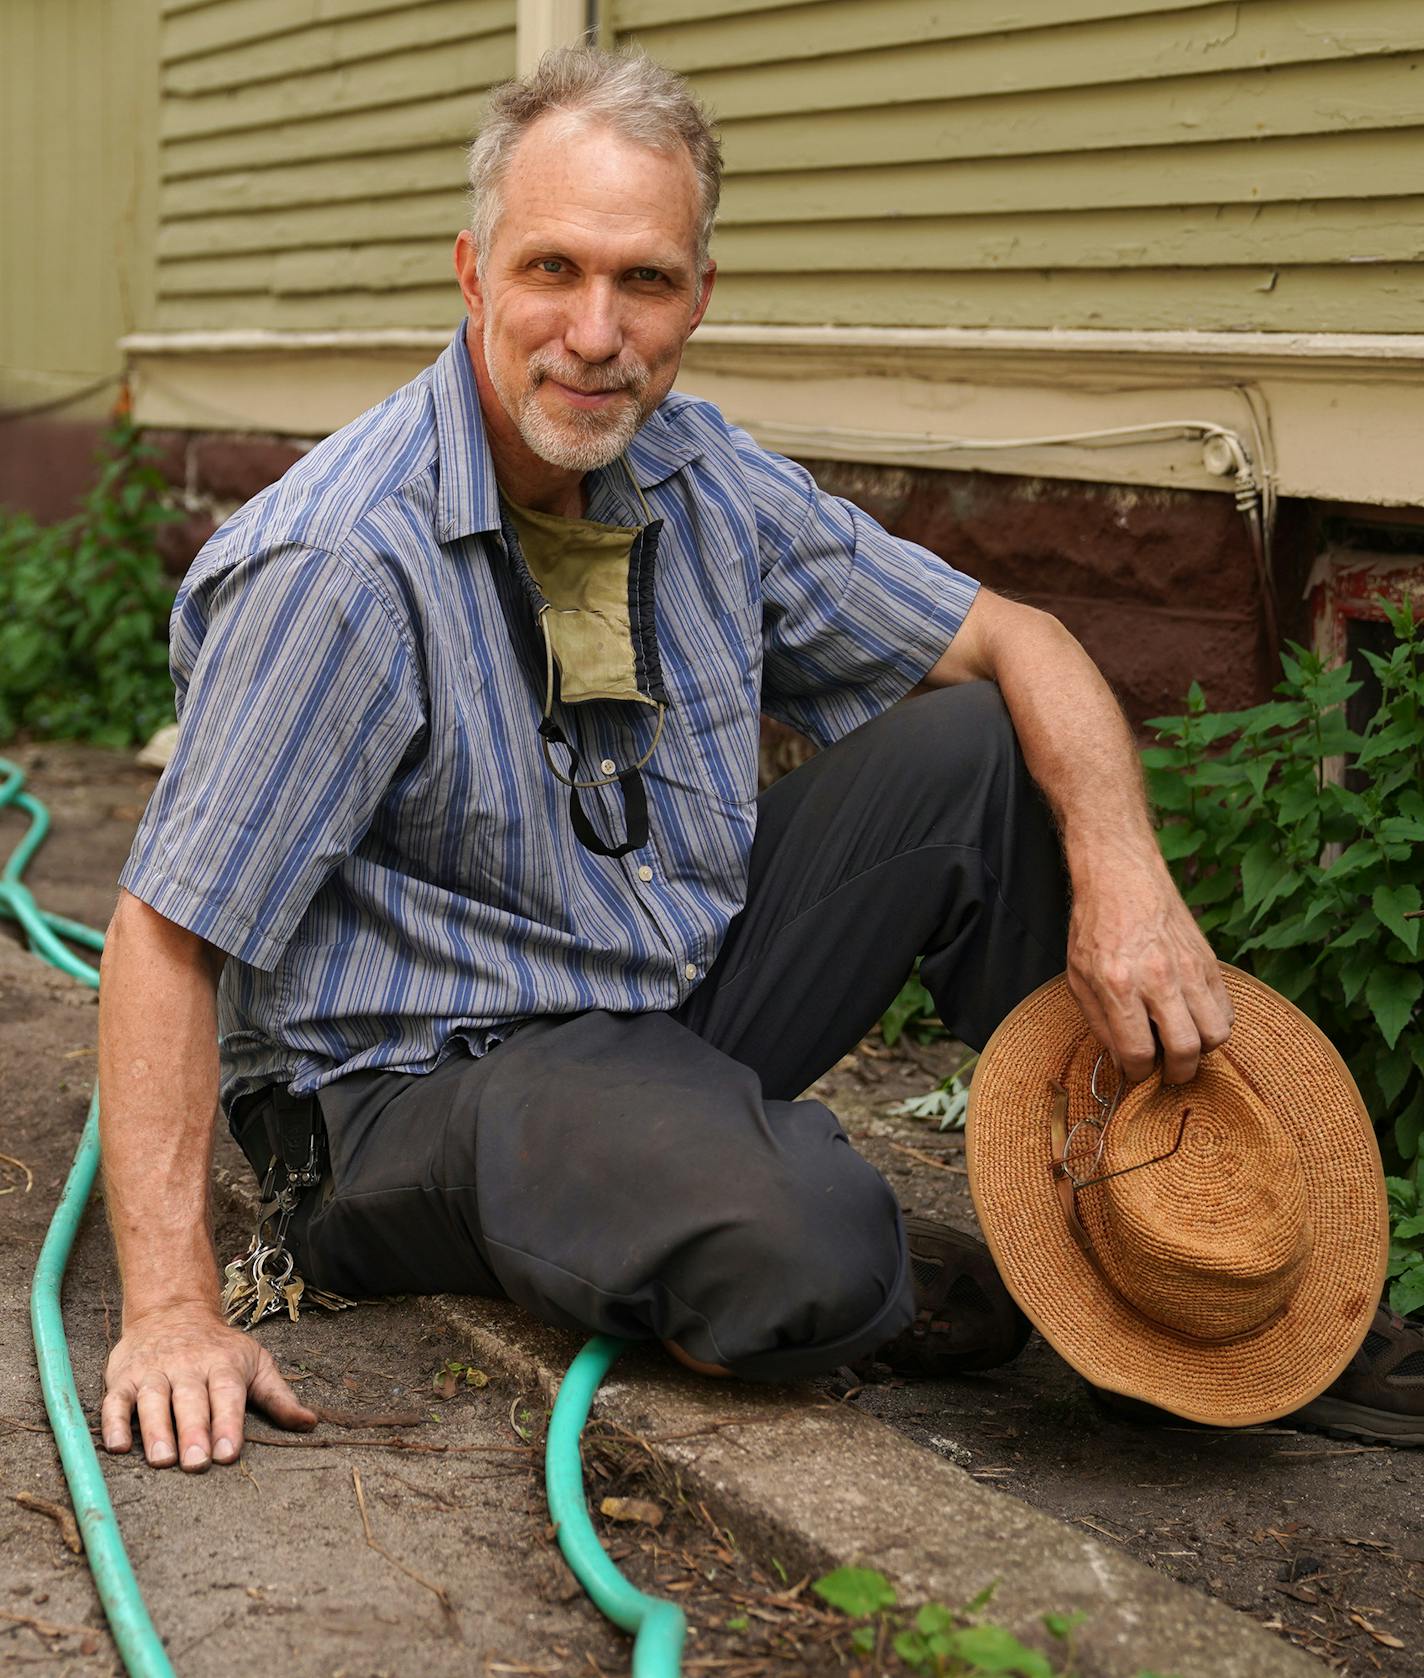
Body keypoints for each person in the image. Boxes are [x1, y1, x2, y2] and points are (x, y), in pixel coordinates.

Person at [98, 45, 1260, 1475]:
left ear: (697, 297)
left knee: (988, 748)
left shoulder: (702, 479)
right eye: (552, 271)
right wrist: (168, 1307)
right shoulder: (341, 563)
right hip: (413, 1090)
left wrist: (1125, 870)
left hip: (648, 986)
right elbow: (164, 933)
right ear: (472, 275)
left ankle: (1164, 1241)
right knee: (808, 1242)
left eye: (643, 280)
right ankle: (794, 1225)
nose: (596, 332)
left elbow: (1019, 638)